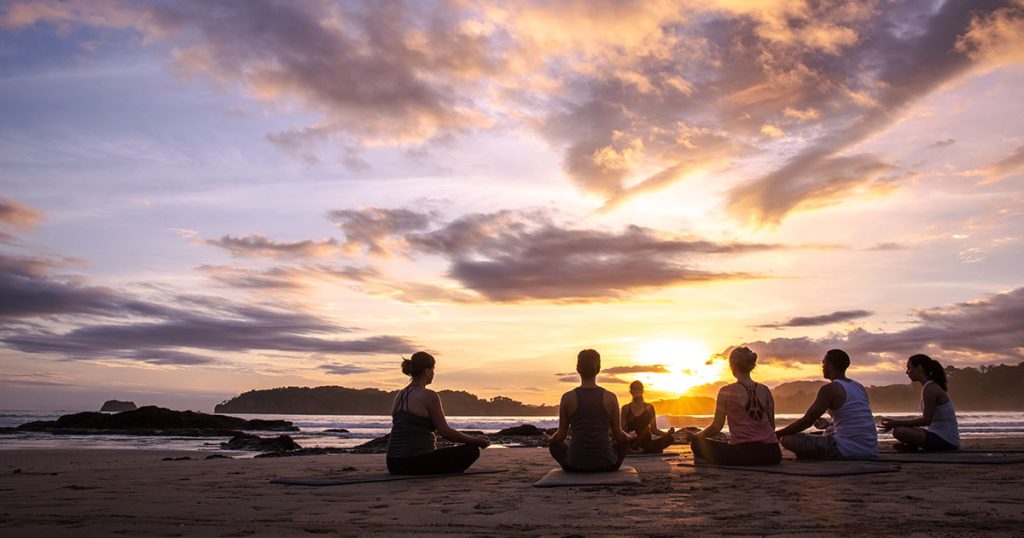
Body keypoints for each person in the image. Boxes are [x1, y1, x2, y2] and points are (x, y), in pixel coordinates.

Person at [386, 351, 491, 475]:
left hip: (393, 464)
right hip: (413, 463)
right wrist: (476, 441)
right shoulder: (429, 395)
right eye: (433, 369)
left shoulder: (400, 394)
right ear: (427, 371)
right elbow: (445, 432)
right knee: (471, 451)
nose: (434, 373)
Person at [682, 347, 782, 465]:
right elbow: (772, 426)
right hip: (773, 453)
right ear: (751, 365)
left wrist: (695, 436)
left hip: (745, 454)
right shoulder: (765, 390)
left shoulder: (726, 392)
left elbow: (716, 427)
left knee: (698, 444)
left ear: (733, 366)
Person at [775, 349, 879, 460]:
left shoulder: (829, 389)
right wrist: (829, 425)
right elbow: (855, 419)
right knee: (821, 433)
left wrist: (776, 435)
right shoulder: (858, 386)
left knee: (787, 439)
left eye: (823, 363)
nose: (822, 366)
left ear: (830, 366)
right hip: (870, 449)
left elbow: (806, 421)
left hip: (846, 449)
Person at [547, 349, 636, 472]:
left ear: (578, 368)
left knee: (554, 445)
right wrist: (630, 437)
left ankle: (576, 458)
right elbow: (619, 436)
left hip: (574, 465)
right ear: (598, 368)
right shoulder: (610, 397)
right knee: (625, 443)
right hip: (607, 464)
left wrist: (550, 439)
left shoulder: (567, 397)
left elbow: (560, 435)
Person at [880, 354, 960, 451]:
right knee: (900, 428)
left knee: (899, 431)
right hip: (938, 436)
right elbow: (926, 420)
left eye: (909, 368)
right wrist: (895, 421)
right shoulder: (928, 387)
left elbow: (926, 421)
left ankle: (912, 446)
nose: (907, 372)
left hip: (946, 441)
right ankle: (912, 446)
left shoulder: (930, 389)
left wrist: (896, 423)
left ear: (919, 368)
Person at [621, 380, 676, 453]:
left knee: (670, 438)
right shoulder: (626, 408)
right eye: (634, 389)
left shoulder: (649, 408)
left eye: (639, 389)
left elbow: (654, 429)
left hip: (646, 442)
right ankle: (641, 450)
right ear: (631, 392)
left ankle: (643, 450)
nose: (637, 391)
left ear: (642, 391)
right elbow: (622, 430)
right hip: (632, 441)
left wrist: (667, 434)